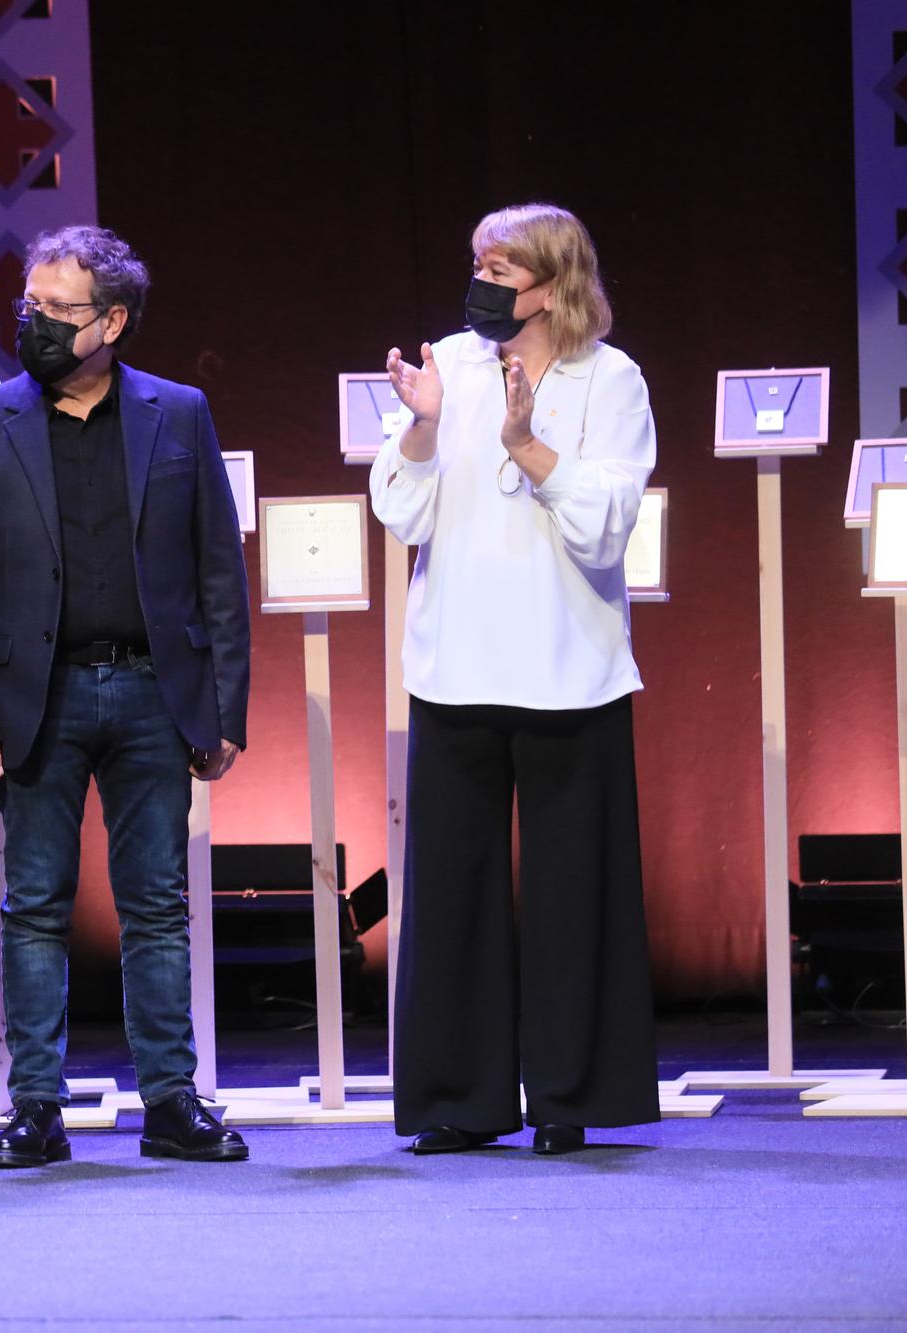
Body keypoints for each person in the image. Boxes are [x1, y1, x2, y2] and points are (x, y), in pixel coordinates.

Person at [0, 225, 250, 1169]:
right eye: (28, 305)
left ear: (111, 321)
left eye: (55, 310)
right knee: (33, 905)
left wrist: (224, 704)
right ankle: (35, 1107)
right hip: (37, 695)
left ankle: (171, 1102)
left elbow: (217, 570)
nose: (31, 322)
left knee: (157, 906)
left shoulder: (178, 413)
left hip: (156, 691)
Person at [370, 202, 660, 1157]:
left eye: (503, 269)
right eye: (479, 266)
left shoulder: (610, 380)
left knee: (577, 890)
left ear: (554, 282)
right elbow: (400, 514)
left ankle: (571, 1094)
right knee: (452, 889)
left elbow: (605, 526)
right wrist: (419, 431)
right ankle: (458, 1096)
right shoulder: (447, 365)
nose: (484, 285)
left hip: (570, 668)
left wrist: (528, 443)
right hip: (456, 665)